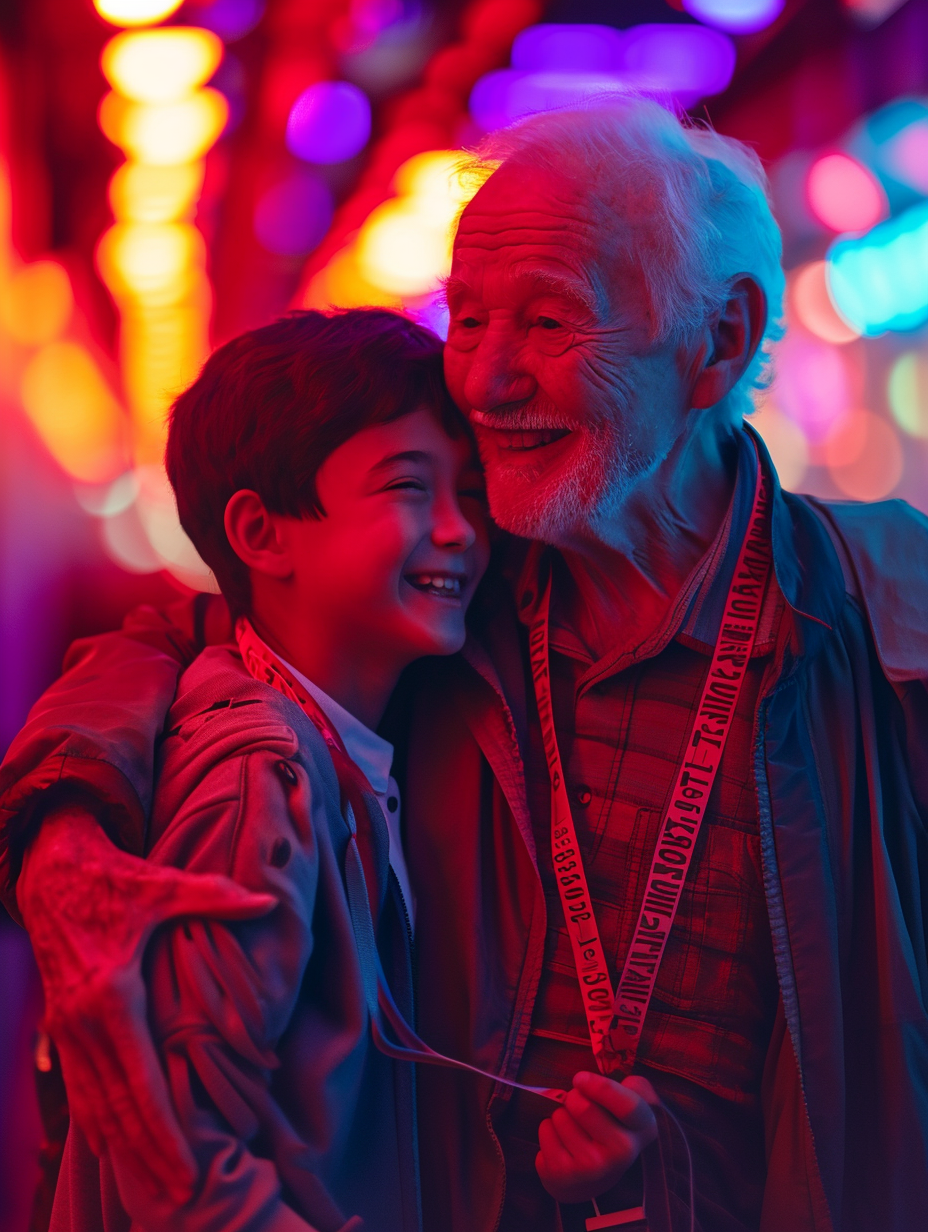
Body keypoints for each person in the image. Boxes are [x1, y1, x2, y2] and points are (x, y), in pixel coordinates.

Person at [3, 98, 928, 1232]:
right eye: (468, 316)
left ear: (718, 341)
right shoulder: (452, 596)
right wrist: (61, 830)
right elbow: (187, 631)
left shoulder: (884, 613)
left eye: (546, 323)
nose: (482, 378)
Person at [42, 306, 496, 1232]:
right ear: (261, 534)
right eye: (409, 488)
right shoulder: (260, 787)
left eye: (471, 493)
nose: (459, 531)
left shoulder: (347, 737)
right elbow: (173, 1172)